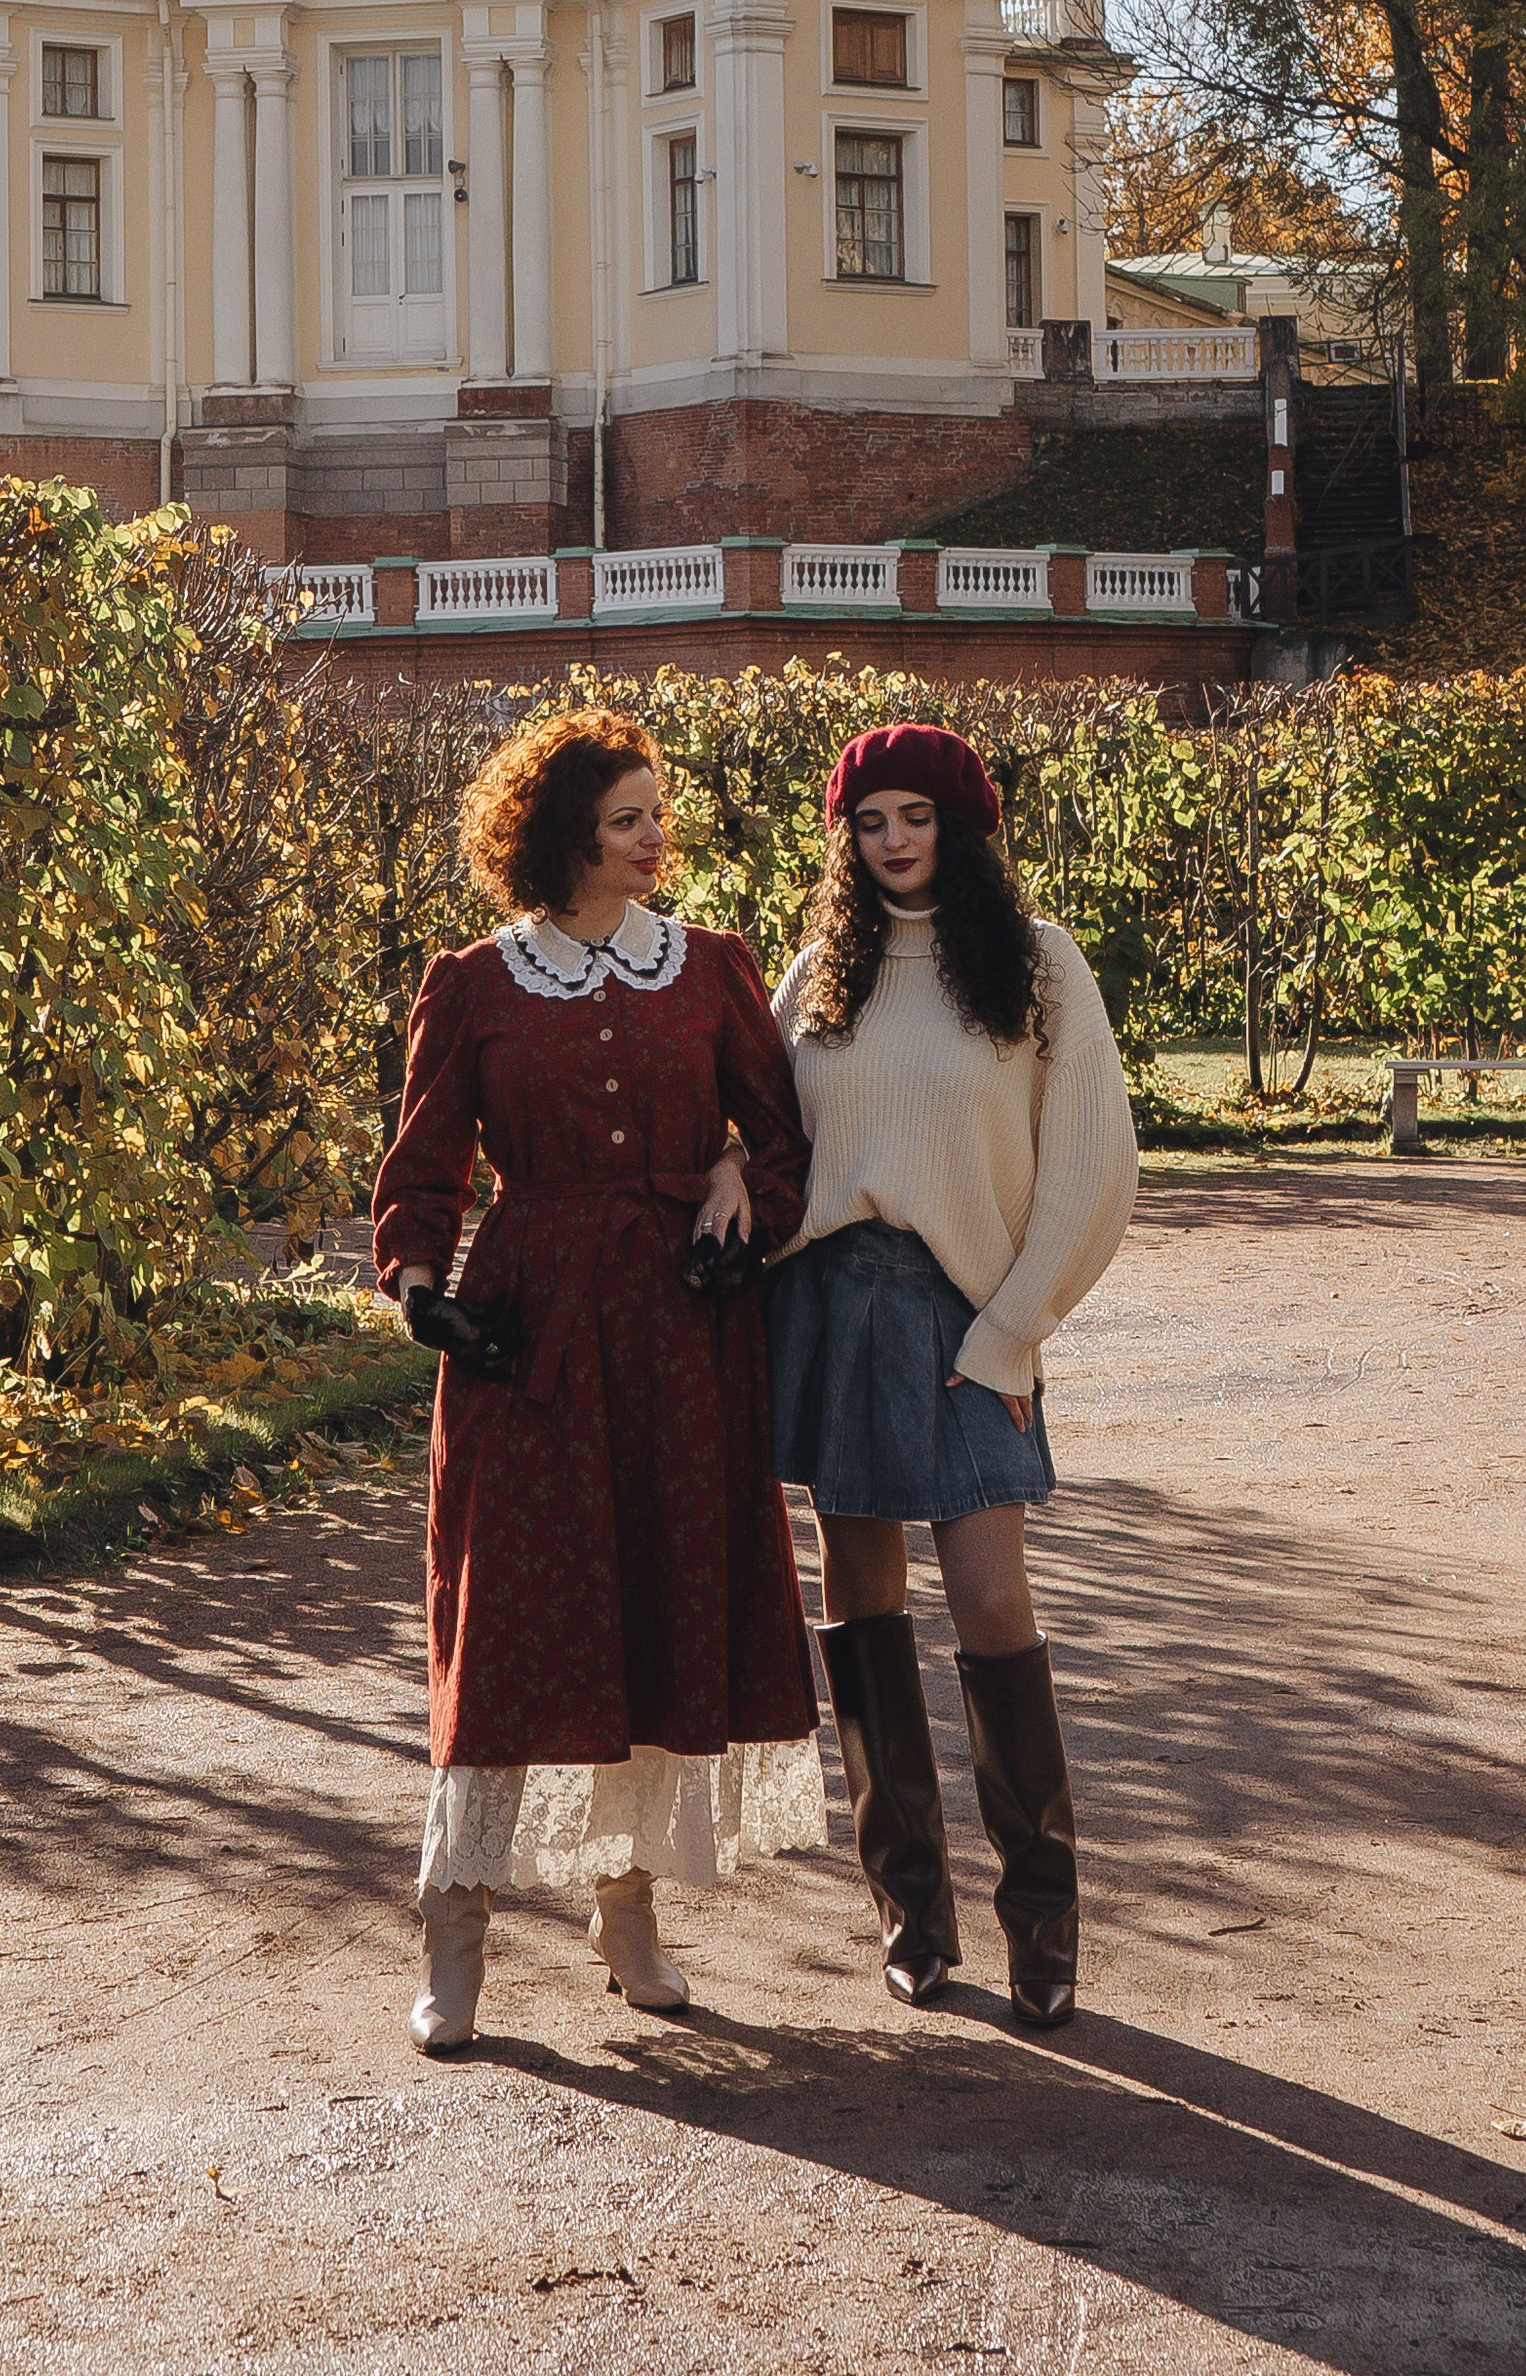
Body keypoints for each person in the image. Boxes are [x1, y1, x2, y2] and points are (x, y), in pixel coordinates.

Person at [369, 706, 825, 2057]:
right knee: (509, 1620)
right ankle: (454, 1924)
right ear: (561, 831)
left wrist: (743, 1185)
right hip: (533, 1339)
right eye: (628, 816)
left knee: (652, 1608)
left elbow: (784, 1139)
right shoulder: (477, 983)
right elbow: (422, 1172)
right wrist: (420, 1291)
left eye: (657, 813)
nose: (655, 838)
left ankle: (627, 1915)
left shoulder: (715, 966)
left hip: (684, 1340)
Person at [764, 723, 1137, 2029]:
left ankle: (1044, 1926)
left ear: (962, 825)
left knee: (990, 1602)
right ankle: (911, 1913)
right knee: (859, 1601)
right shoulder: (820, 977)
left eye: (915, 816)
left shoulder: (1039, 971)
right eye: (869, 823)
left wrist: (1011, 1334)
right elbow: (760, 1145)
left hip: (969, 1321)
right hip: (831, 1311)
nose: (892, 841)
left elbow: (1097, 1170)